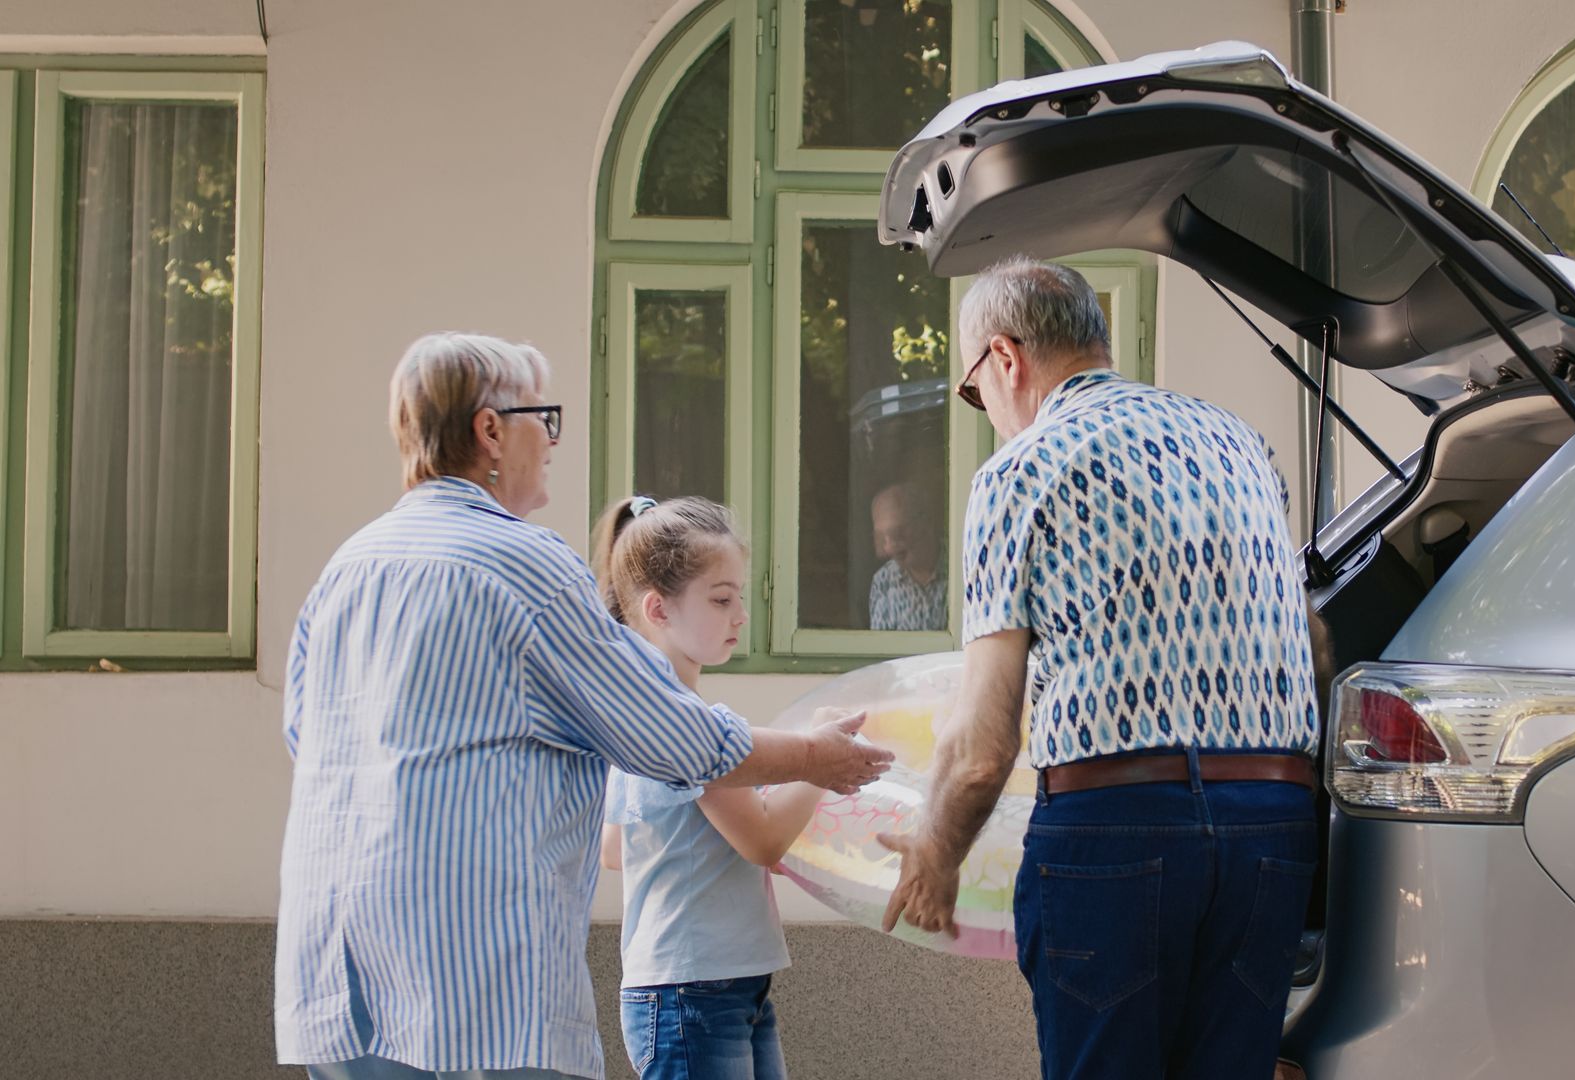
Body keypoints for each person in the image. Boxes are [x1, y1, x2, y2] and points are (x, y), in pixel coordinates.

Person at [276, 333, 891, 1080]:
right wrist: (813, 757)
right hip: (470, 985)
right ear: (491, 430)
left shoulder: (346, 568)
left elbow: (304, 740)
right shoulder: (522, 563)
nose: (555, 440)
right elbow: (672, 735)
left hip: (340, 976)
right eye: (546, 418)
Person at [878, 260, 1328, 1079]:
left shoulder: (1021, 472)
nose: (987, 415)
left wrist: (936, 850)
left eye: (974, 392)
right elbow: (1314, 649)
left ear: (1005, 359)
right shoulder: (1242, 444)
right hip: (1274, 817)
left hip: (1118, 828)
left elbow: (983, 742)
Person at [587, 494, 822, 1080]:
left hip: (707, 985)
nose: (741, 615)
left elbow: (616, 848)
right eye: (721, 599)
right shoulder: (683, 722)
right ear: (657, 608)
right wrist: (821, 765)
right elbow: (762, 841)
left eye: (739, 595)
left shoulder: (638, 708)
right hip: (692, 993)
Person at [867, 480, 947, 631]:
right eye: (881, 538)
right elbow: (881, 649)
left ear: (925, 523)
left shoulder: (963, 568)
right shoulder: (883, 581)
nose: (888, 548)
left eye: (897, 534)